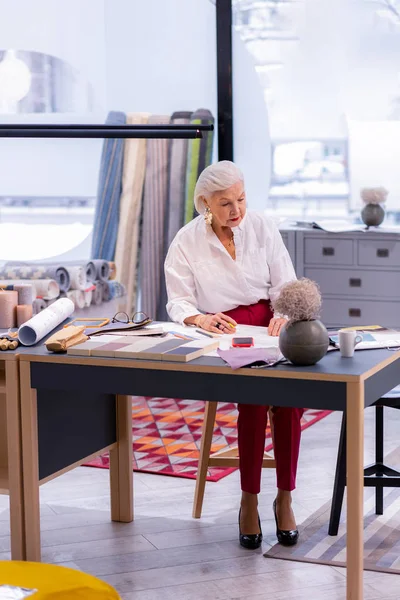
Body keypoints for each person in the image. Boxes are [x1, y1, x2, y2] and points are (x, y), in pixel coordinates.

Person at [164, 160, 304, 549]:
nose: (237, 210)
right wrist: (200, 318)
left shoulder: (261, 226)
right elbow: (177, 301)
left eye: (241, 199)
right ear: (205, 203)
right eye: (225, 203)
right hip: (225, 330)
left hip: (271, 327)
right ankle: (249, 499)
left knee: (290, 401)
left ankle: (285, 497)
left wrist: (283, 314)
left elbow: (286, 283)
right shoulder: (186, 241)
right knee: (255, 403)